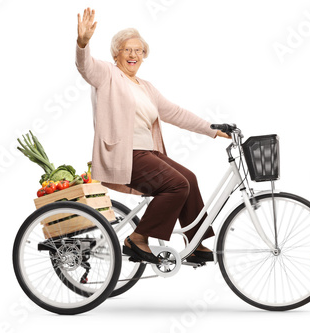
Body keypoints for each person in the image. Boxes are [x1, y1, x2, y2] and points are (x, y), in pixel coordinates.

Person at [75, 8, 231, 264]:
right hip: (126, 155)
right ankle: (137, 238)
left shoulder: (146, 87)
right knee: (176, 185)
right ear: (116, 54)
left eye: (138, 50)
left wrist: (212, 129)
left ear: (144, 55)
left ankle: (194, 243)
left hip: (148, 153)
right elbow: (85, 67)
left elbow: (175, 113)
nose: (133, 55)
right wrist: (83, 44)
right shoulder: (108, 75)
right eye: (127, 50)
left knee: (189, 179)